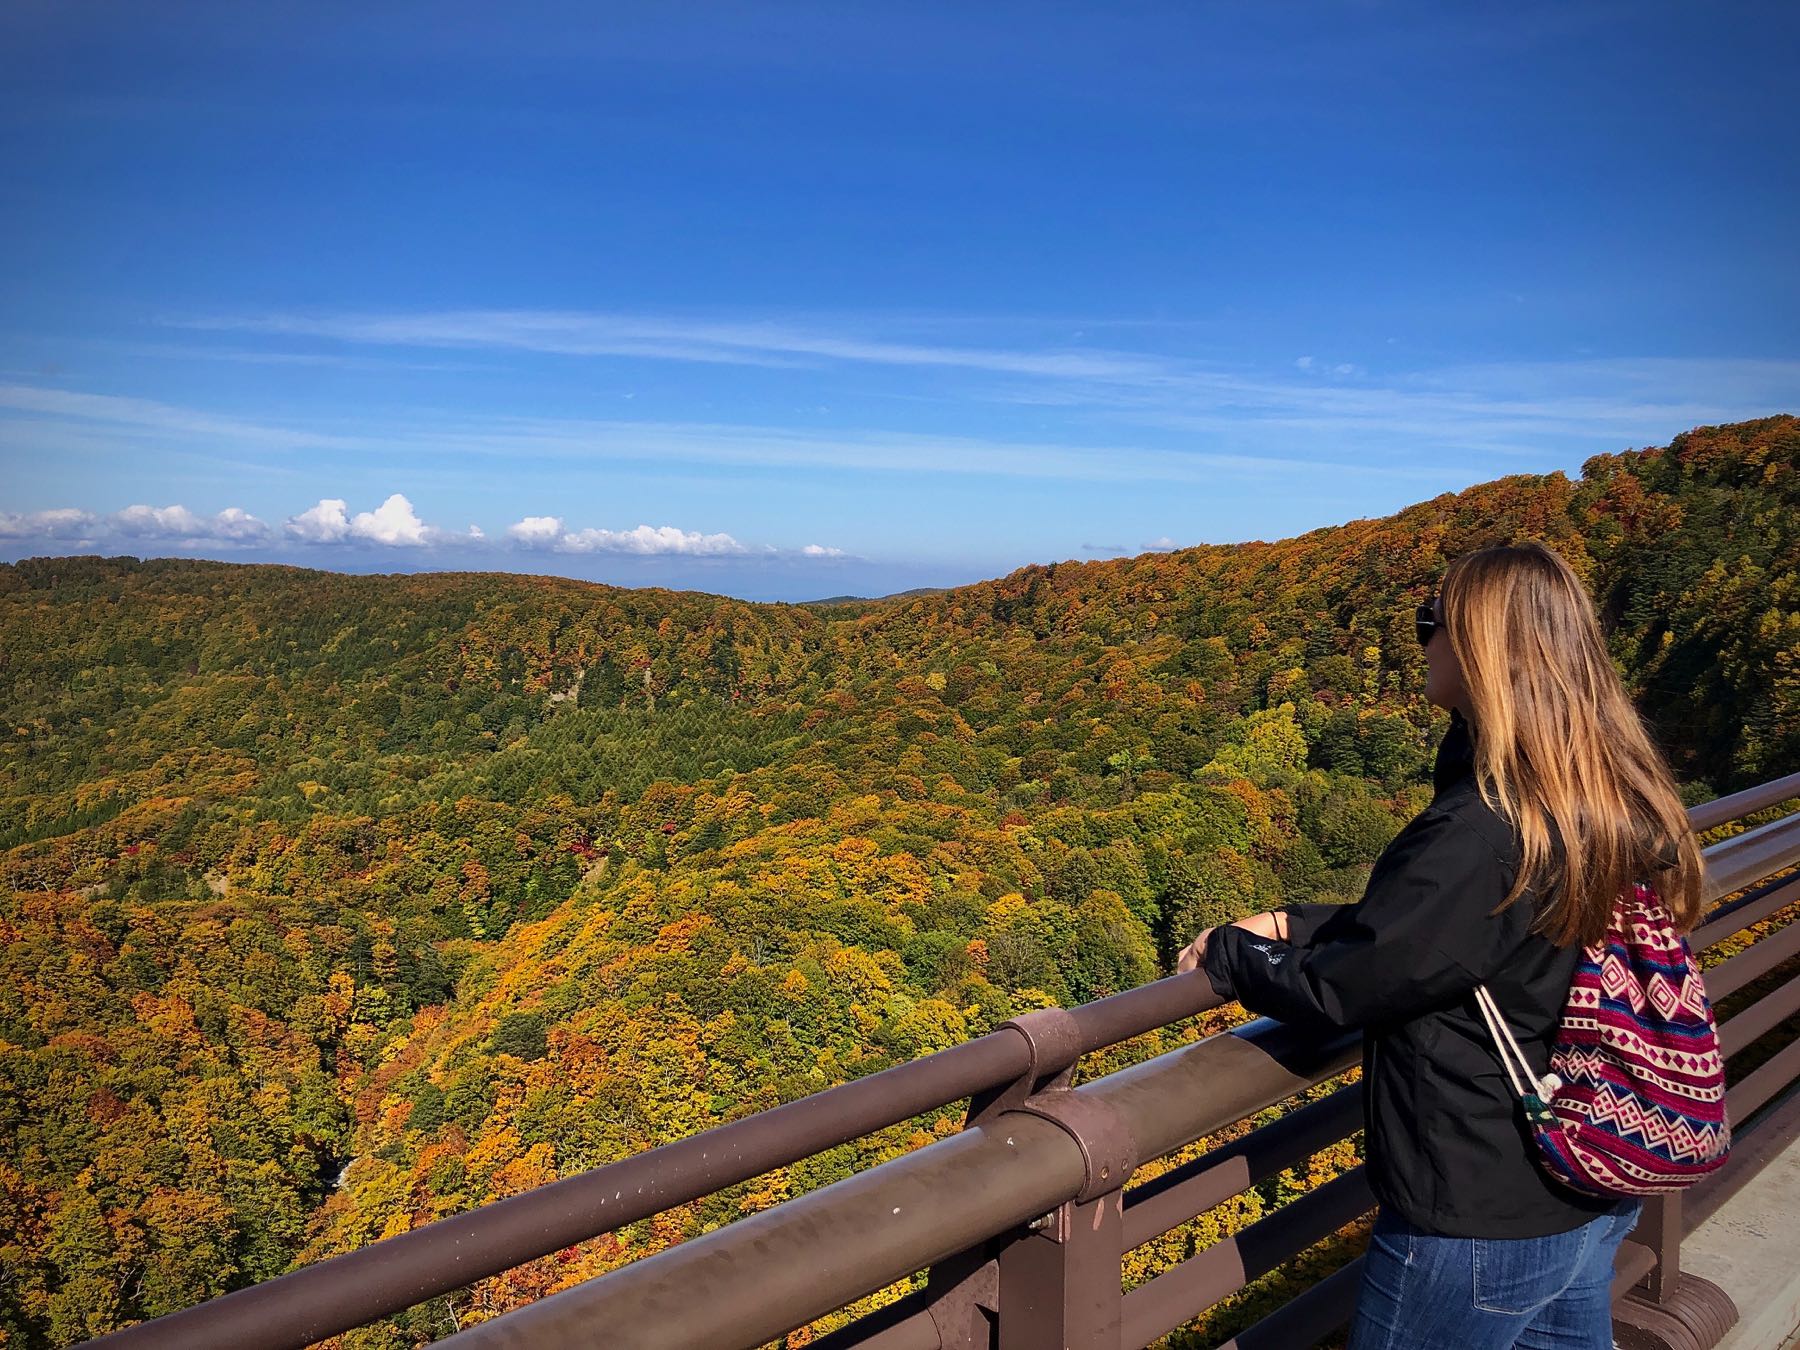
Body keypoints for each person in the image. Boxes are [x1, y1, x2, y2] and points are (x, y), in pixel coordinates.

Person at [1175, 542, 1705, 1350]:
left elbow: (1345, 987)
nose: (1419, 640)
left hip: (1480, 1212)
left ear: (1482, 645)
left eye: (1433, 621)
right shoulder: (1599, 797)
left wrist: (1228, 954)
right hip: (1588, 1179)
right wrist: (1292, 921)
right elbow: (1437, 928)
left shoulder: (1487, 828)